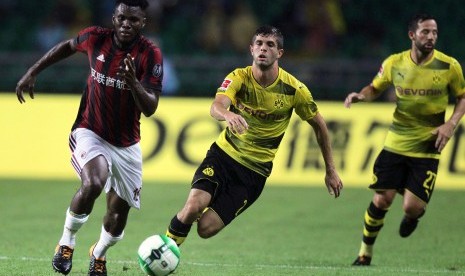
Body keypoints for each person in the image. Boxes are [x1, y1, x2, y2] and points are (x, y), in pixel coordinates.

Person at [15, 0, 162, 275]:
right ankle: (66, 242)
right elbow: (67, 47)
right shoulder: (96, 37)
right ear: (114, 17)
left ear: (143, 23)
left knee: (118, 218)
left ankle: (98, 253)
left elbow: (151, 107)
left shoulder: (149, 54)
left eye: (133, 20)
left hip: (127, 144)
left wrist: (132, 84)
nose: (126, 24)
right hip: (89, 130)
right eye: (121, 18)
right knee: (94, 182)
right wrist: (33, 71)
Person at [165, 25, 343, 248]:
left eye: (270, 45)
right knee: (193, 206)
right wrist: (227, 114)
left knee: (205, 229)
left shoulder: (294, 90)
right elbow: (216, 106)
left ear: (280, 53)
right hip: (223, 156)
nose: (263, 48)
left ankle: (183, 228)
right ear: (251, 49)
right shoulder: (239, 77)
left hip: (254, 173)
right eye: (259, 43)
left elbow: (320, 126)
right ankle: (164, 253)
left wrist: (330, 169)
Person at [345, 14, 465, 266]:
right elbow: (375, 87)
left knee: (411, 208)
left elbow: (462, 97)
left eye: (434, 32)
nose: (431, 36)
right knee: (382, 199)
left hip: (428, 146)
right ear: (412, 35)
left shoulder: (449, 66)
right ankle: (364, 253)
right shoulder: (394, 63)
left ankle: (412, 217)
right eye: (425, 32)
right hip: (396, 143)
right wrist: (361, 96)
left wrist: (450, 124)